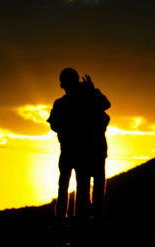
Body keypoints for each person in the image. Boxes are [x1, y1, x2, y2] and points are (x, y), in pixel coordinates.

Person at [47, 67, 110, 225]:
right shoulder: (65, 102)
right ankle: (81, 219)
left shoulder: (84, 99)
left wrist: (93, 91)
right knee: (80, 184)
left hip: (88, 149)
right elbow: (54, 124)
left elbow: (106, 105)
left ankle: (85, 219)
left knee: (82, 184)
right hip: (80, 150)